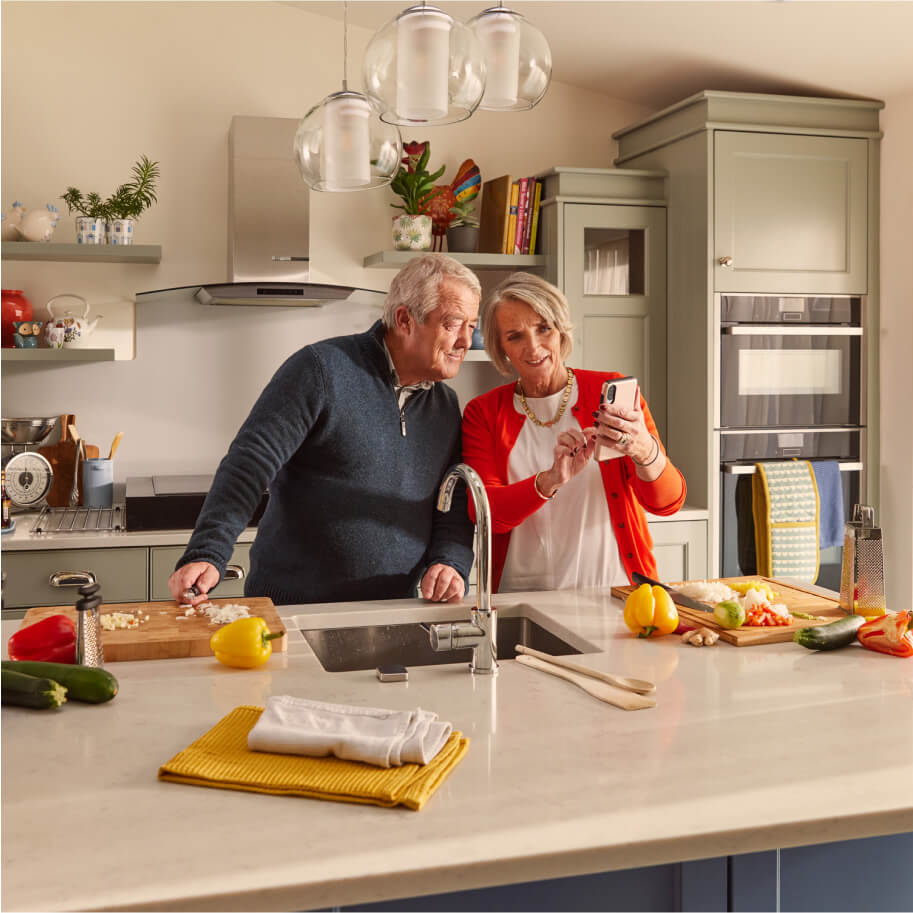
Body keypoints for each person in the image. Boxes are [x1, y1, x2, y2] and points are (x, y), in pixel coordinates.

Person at [168, 254, 480, 607]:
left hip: (391, 612)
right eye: (454, 324)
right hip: (294, 608)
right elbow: (250, 465)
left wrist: (450, 562)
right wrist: (208, 551)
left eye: (472, 326)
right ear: (405, 319)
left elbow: (452, 505)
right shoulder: (320, 370)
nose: (466, 341)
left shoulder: (446, 406)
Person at [461, 272, 686, 593]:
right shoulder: (483, 413)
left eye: (543, 329)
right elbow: (484, 514)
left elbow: (668, 503)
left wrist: (645, 451)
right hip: (524, 598)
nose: (533, 347)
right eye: (515, 336)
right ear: (501, 348)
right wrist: (551, 479)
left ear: (560, 330)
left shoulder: (607, 389)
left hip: (618, 592)